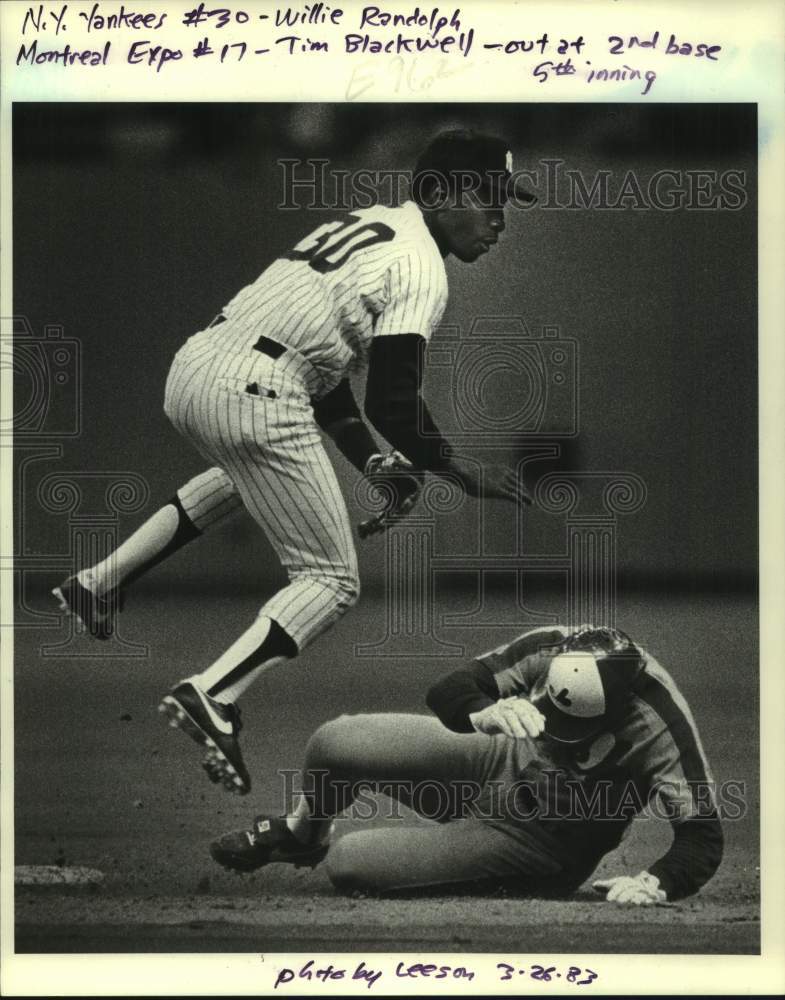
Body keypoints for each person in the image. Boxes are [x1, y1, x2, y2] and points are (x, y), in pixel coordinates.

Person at [52, 129, 536, 795]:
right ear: (444, 191)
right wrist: (456, 468)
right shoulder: (422, 267)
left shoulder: (368, 224)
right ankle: (213, 693)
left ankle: (99, 583)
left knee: (241, 476)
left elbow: (327, 381)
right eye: (489, 198)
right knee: (331, 581)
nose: (500, 218)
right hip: (256, 387)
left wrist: (372, 463)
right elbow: (392, 402)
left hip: (198, 369)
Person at [210, 625, 724, 905]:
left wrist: (658, 881)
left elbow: (702, 836)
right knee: (335, 743)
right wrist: (484, 712)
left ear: (620, 709)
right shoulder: (554, 646)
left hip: (539, 840)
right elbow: (450, 688)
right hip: (494, 761)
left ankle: (473, 856)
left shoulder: (659, 723)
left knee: (352, 863)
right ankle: (302, 834)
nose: (554, 735)